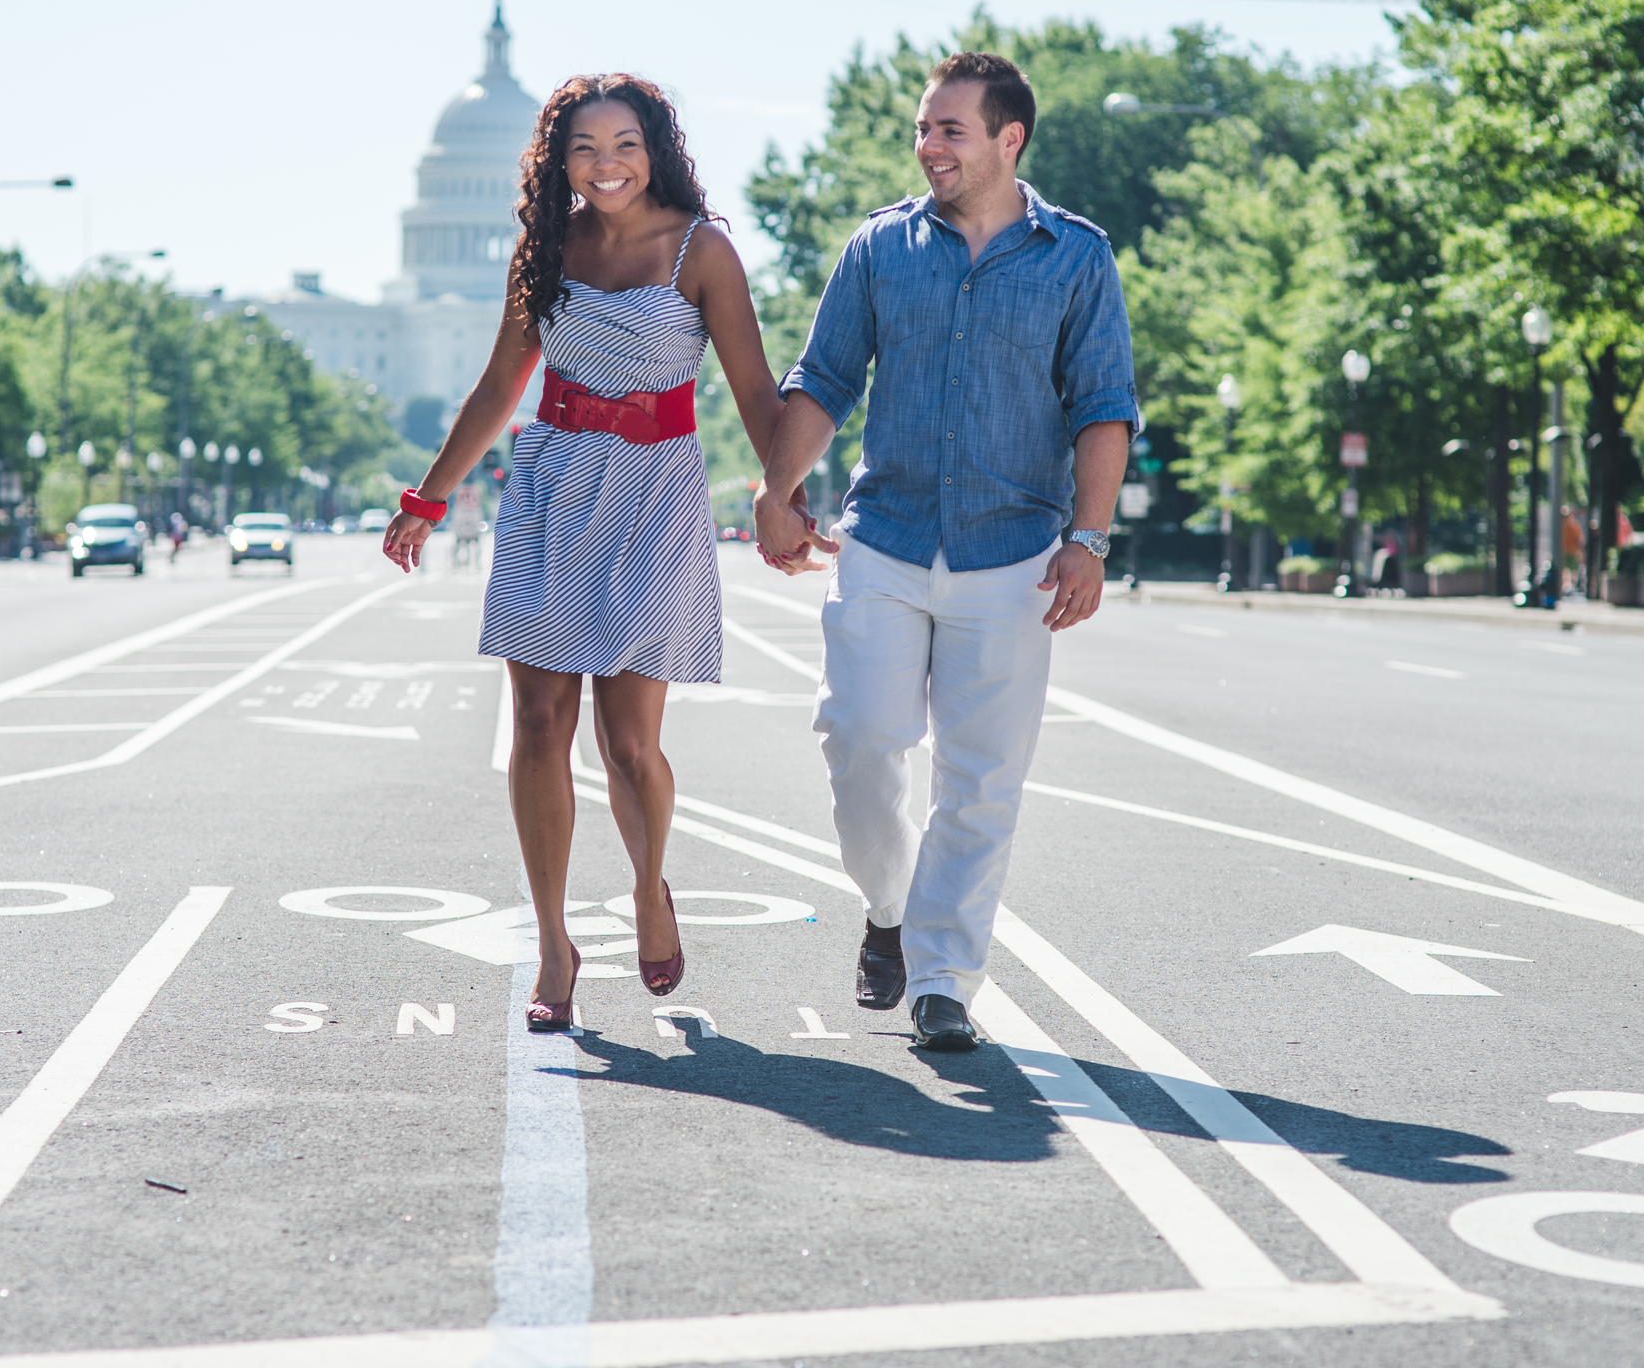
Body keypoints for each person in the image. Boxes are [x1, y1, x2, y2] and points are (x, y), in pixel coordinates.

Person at [384, 74, 806, 1032]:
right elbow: (501, 384)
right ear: (557, 161)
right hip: (552, 486)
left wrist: (782, 501)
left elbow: (753, 390)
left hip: (656, 495)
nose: (604, 164)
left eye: (622, 143)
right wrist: (428, 497)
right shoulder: (548, 250)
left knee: (629, 746)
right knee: (537, 725)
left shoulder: (703, 251)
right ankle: (552, 942)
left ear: (653, 146)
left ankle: (650, 888)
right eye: (583, 148)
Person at [755, 51, 1137, 1053]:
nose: (928, 145)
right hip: (884, 539)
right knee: (859, 740)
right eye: (923, 128)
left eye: (949, 130)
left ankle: (941, 981)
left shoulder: (1076, 258)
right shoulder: (881, 248)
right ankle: (887, 907)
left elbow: (1103, 408)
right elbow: (825, 378)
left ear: (1009, 140)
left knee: (980, 781)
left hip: (1013, 556)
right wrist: (775, 492)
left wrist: (1087, 539)